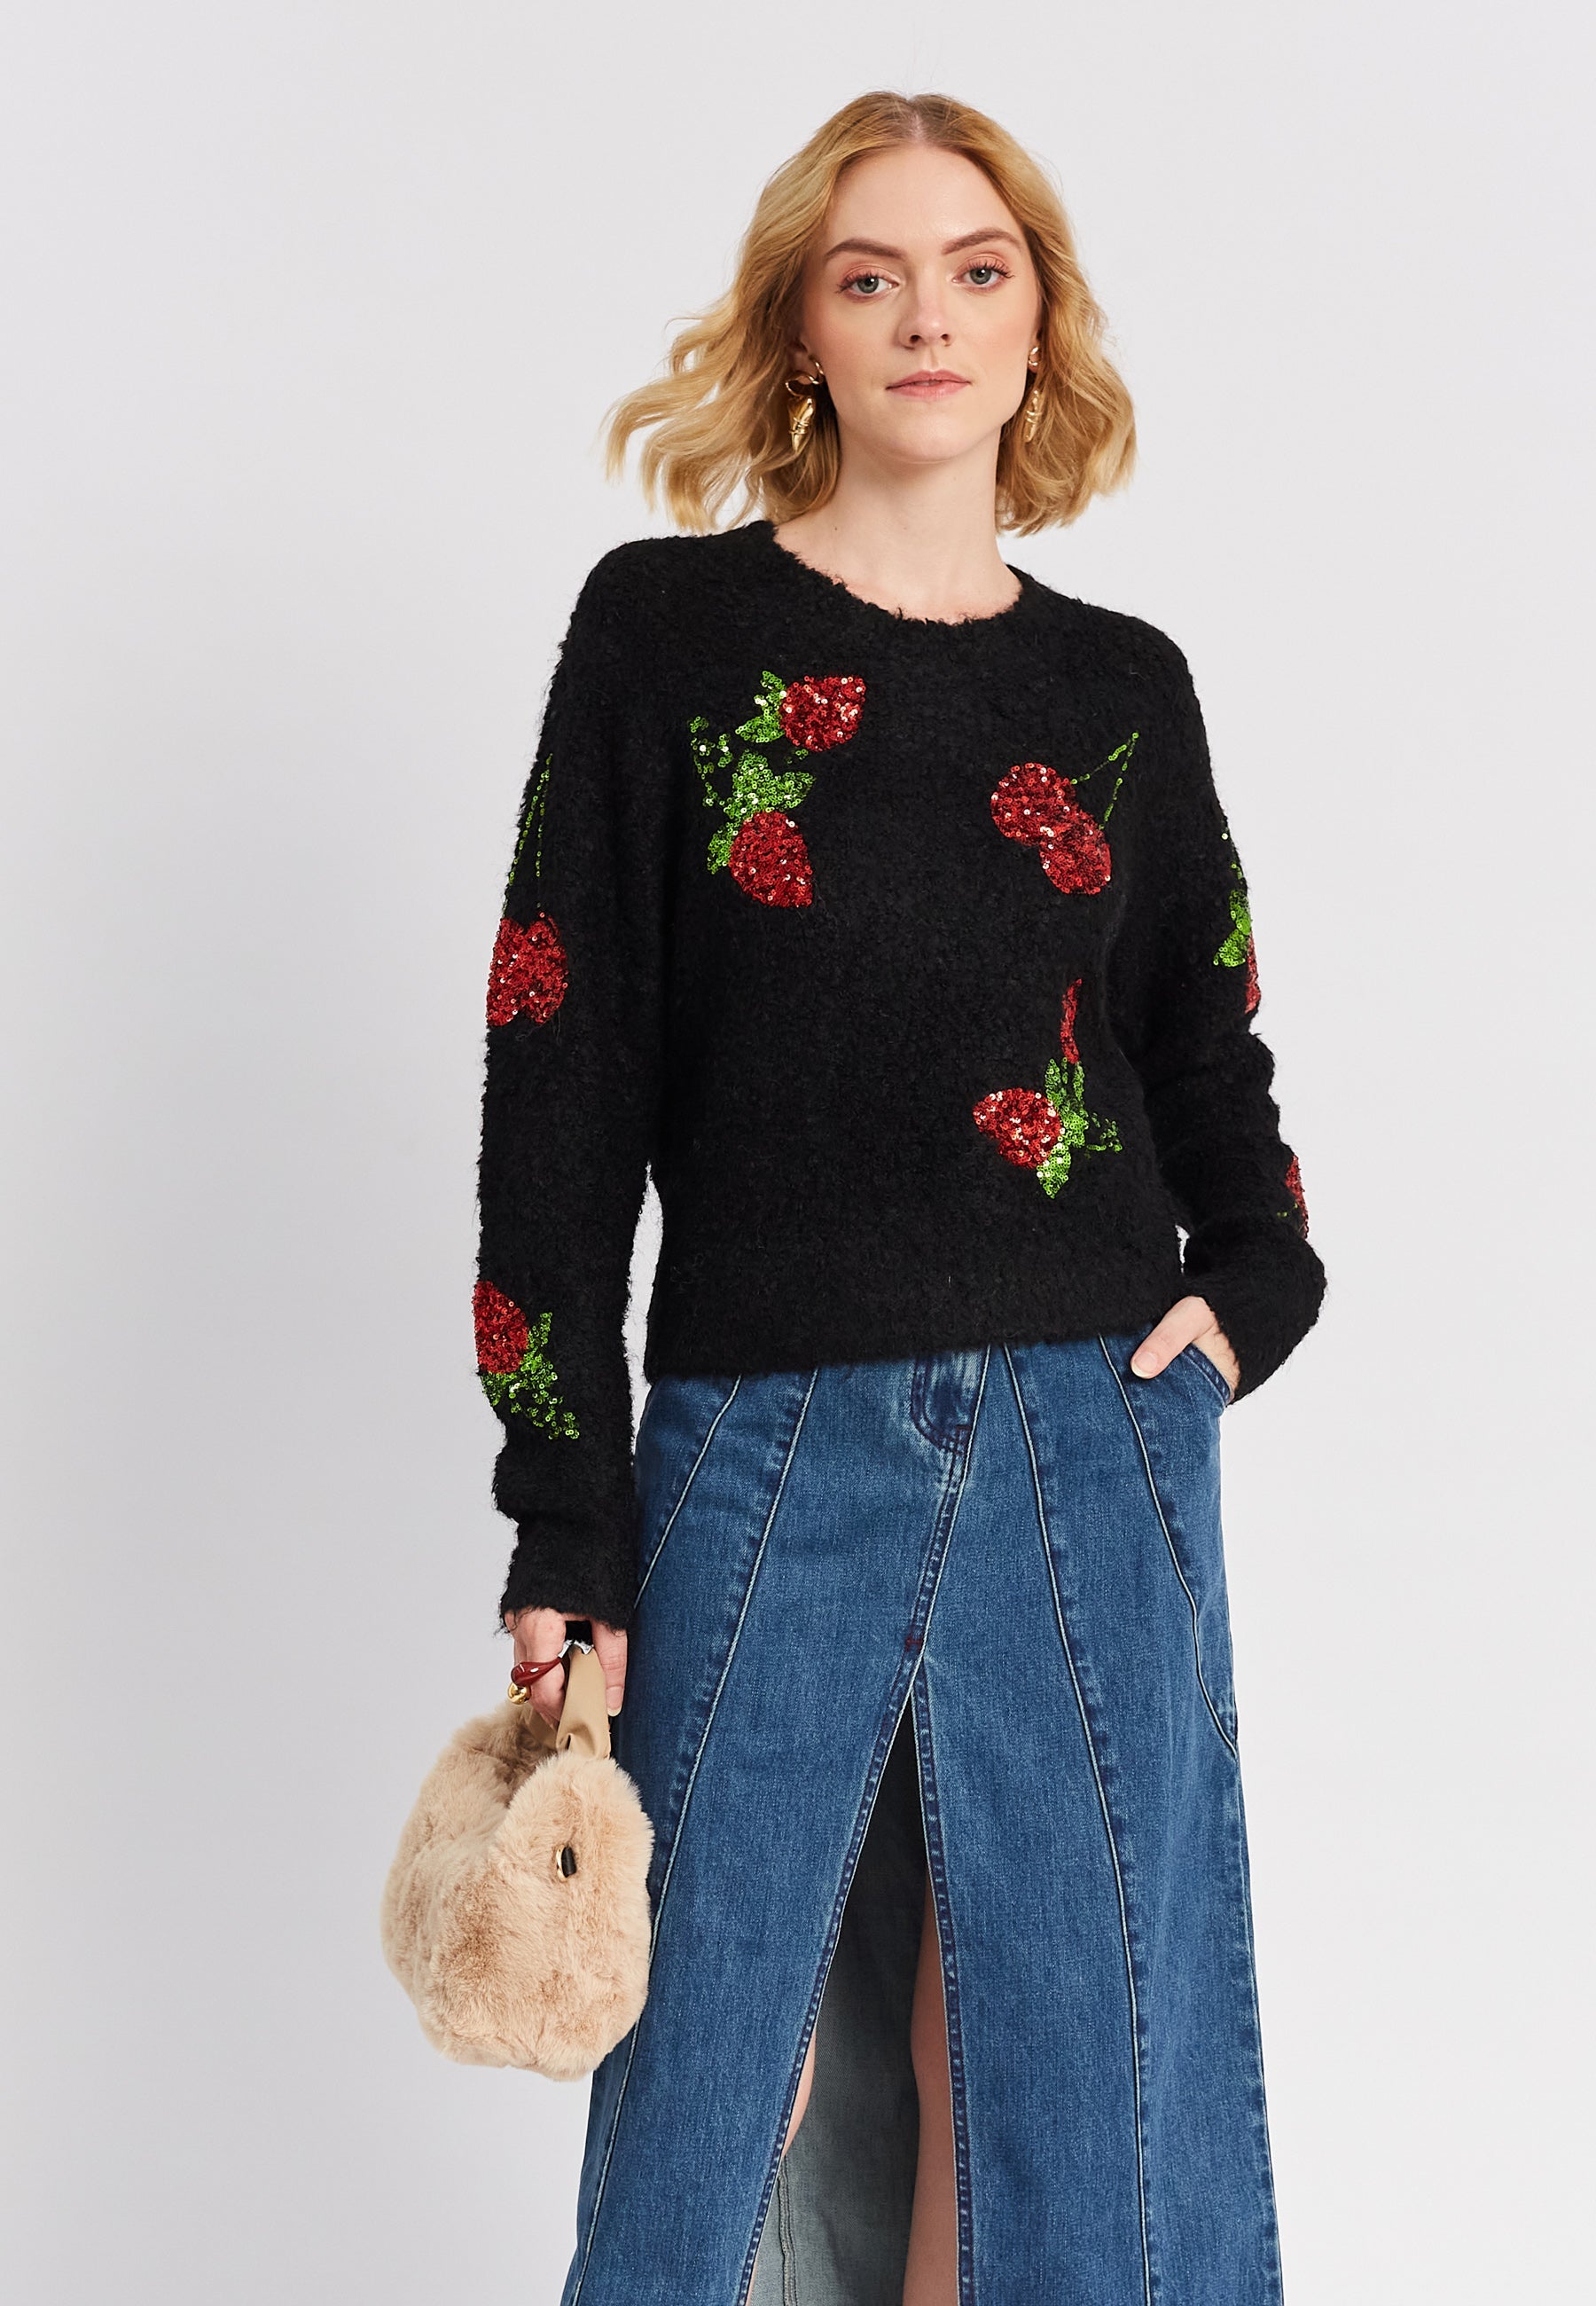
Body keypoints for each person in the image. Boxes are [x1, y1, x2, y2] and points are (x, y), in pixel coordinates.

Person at [475, 87, 1323, 2306]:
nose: (929, 317)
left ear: (1040, 326)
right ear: (804, 333)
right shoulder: (666, 637)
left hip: (1089, 1436)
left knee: (1067, 2076)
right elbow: (563, 1076)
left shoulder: (1121, 691)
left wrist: (1250, 1291)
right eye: (873, 278)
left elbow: (1206, 1045)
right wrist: (565, 1523)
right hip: (762, 1445)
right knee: (719, 2078)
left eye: (977, 271)